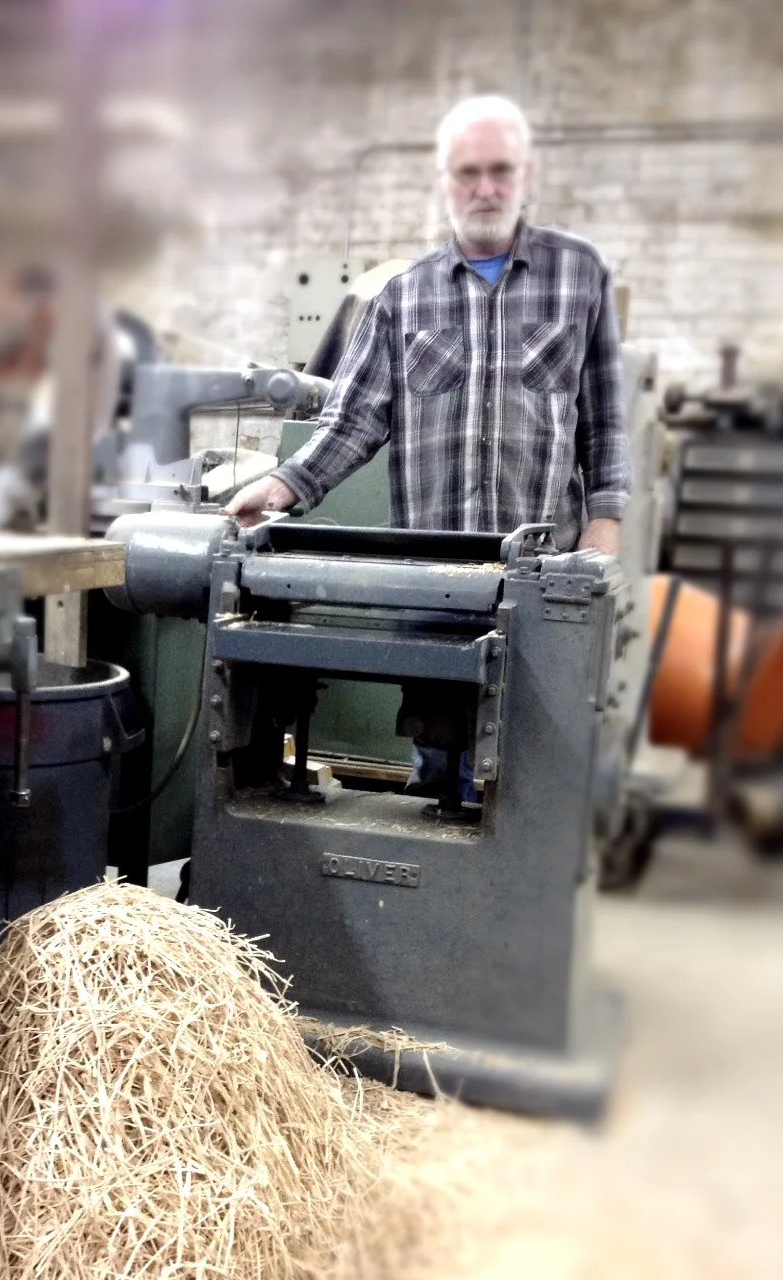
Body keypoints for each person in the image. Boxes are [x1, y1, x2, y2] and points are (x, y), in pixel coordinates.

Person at [226, 93, 631, 800]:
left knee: (533, 780)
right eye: (467, 172)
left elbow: (605, 418)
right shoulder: (401, 298)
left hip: (542, 579)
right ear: (444, 181)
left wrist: (605, 524)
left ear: (526, 174)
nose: (484, 188)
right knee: (439, 763)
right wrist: (282, 486)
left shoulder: (579, 277)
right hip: (435, 583)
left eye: (500, 170)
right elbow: (352, 421)